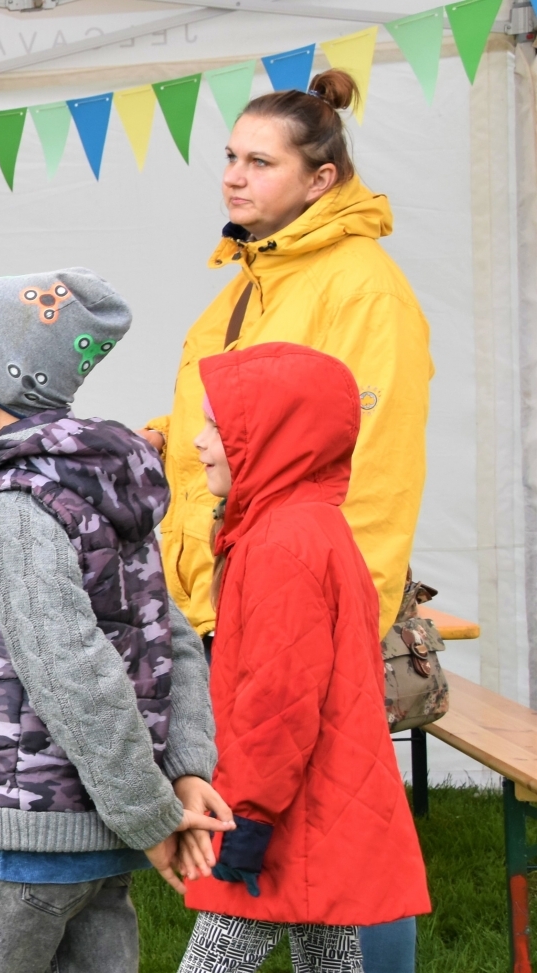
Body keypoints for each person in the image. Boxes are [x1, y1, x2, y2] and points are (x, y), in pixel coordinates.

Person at [137, 69, 432, 971]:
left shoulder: (360, 288)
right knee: (300, 835)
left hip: (302, 608)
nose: (232, 176)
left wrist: (351, 621)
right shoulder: (243, 279)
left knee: (339, 827)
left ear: (321, 179)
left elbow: (370, 471)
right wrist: (148, 440)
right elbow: (221, 427)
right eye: (229, 156)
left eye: (259, 162)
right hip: (231, 593)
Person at [0, 269, 234, 973]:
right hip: (100, 839)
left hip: (25, 838)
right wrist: (183, 771)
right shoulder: (100, 485)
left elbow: (72, 672)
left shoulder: (13, 501)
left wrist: (149, 816)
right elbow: (172, 639)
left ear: (8, 376)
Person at [178, 342, 430, 972]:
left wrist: (246, 818)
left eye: (217, 427)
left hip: (281, 813)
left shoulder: (280, 545)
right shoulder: (310, 523)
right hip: (321, 799)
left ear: (272, 438)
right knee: (328, 952)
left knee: (215, 960)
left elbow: (277, 701)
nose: (198, 444)